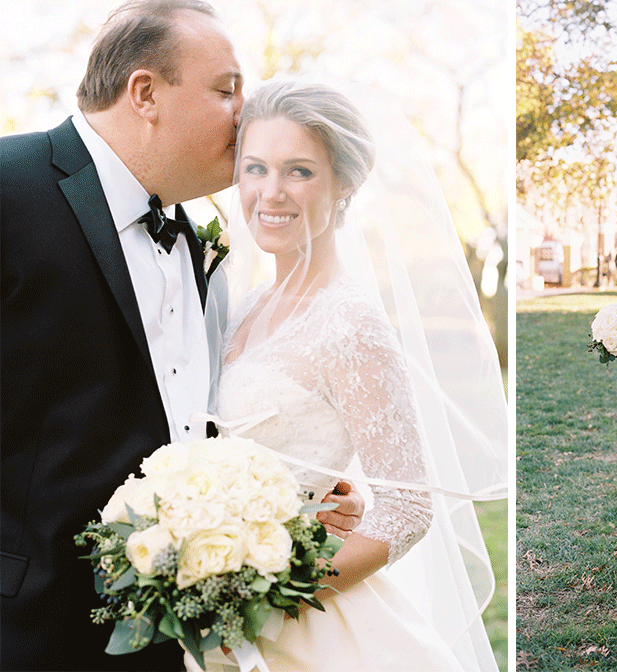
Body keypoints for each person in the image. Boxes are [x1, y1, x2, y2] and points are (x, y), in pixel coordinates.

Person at [0, 3, 362, 670]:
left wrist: (294, 490)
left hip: (175, 632)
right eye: (227, 90)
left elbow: (188, 420)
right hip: (27, 628)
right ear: (145, 94)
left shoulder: (198, 243)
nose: (247, 114)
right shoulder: (9, 185)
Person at [187, 79, 506, 671]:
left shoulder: (351, 323)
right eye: (255, 167)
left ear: (345, 184)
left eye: (299, 171)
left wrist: (264, 597)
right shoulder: (247, 302)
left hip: (299, 625)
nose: (271, 192)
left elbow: (409, 509)